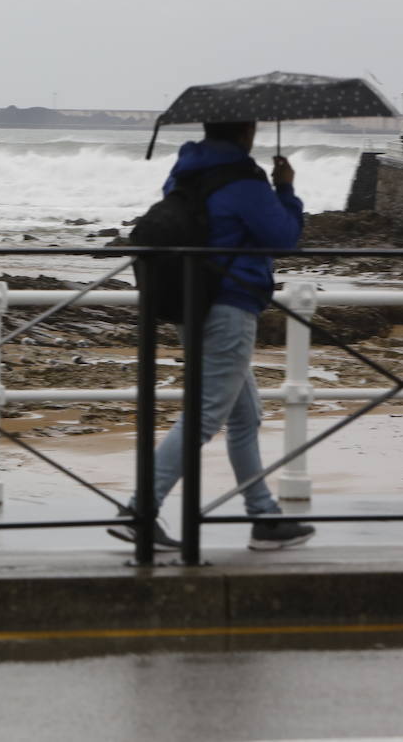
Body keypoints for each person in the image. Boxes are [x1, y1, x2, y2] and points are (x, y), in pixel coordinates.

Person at [110, 120, 315, 552]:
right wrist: (286, 190)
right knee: (204, 415)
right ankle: (139, 511)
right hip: (230, 305)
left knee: (245, 415)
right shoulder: (244, 180)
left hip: (191, 301)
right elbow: (283, 238)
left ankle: (264, 518)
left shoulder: (183, 172)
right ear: (247, 132)